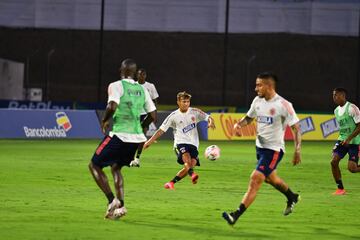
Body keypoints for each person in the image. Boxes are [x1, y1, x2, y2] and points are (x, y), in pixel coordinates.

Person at [222, 72, 302, 226]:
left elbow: (297, 128)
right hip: (260, 148)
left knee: (255, 178)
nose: (255, 88)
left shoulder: (284, 105)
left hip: (274, 151)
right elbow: (249, 118)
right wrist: (239, 124)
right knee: (272, 179)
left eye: (259, 85)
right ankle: (292, 197)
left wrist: (297, 150)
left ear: (269, 86)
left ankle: (235, 215)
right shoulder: (257, 101)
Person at [88, 59, 156, 220]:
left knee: (94, 165)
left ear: (121, 70)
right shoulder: (142, 89)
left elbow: (112, 106)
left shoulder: (116, 85)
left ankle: (112, 201)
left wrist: (104, 120)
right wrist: (139, 126)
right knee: (116, 168)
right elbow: (153, 116)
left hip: (120, 135)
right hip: (136, 139)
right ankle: (121, 206)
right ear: (135, 72)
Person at [143, 91, 215, 190]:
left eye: (187, 101)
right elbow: (161, 130)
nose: (186, 103)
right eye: (183, 101)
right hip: (180, 143)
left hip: (194, 144)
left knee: (190, 165)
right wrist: (149, 142)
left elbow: (209, 117)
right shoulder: (173, 116)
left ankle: (171, 183)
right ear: (178, 102)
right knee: (187, 158)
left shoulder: (195, 112)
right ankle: (192, 174)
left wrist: (210, 122)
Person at [330, 88, 360, 195]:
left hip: (355, 142)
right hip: (342, 141)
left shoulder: (352, 108)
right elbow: (344, 128)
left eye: (336, 95)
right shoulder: (336, 111)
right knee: (333, 162)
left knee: (352, 168)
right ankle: (340, 189)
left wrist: (349, 139)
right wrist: (344, 139)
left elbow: (359, 126)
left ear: (343, 96)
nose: (334, 98)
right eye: (333, 96)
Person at [132, 68, 159, 166]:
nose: (141, 76)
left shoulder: (150, 86)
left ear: (145, 76)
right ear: (137, 75)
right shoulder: (133, 86)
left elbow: (155, 101)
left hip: (146, 113)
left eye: (143, 74)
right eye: (139, 74)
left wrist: (155, 114)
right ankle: (131, 157)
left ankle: (137, 158)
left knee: (142, 136)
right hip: (134, 114)